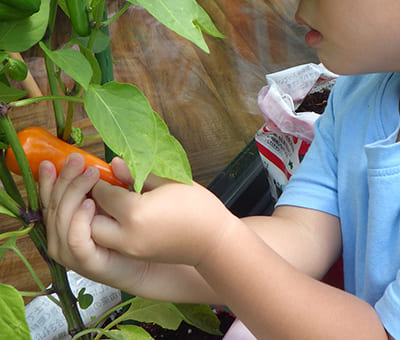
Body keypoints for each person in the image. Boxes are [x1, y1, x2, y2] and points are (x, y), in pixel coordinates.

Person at [39, 0, 400, 339]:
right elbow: (301, 238)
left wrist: (213, 243)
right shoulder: (358, 94)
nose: (294, 5)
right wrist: (141, 267)